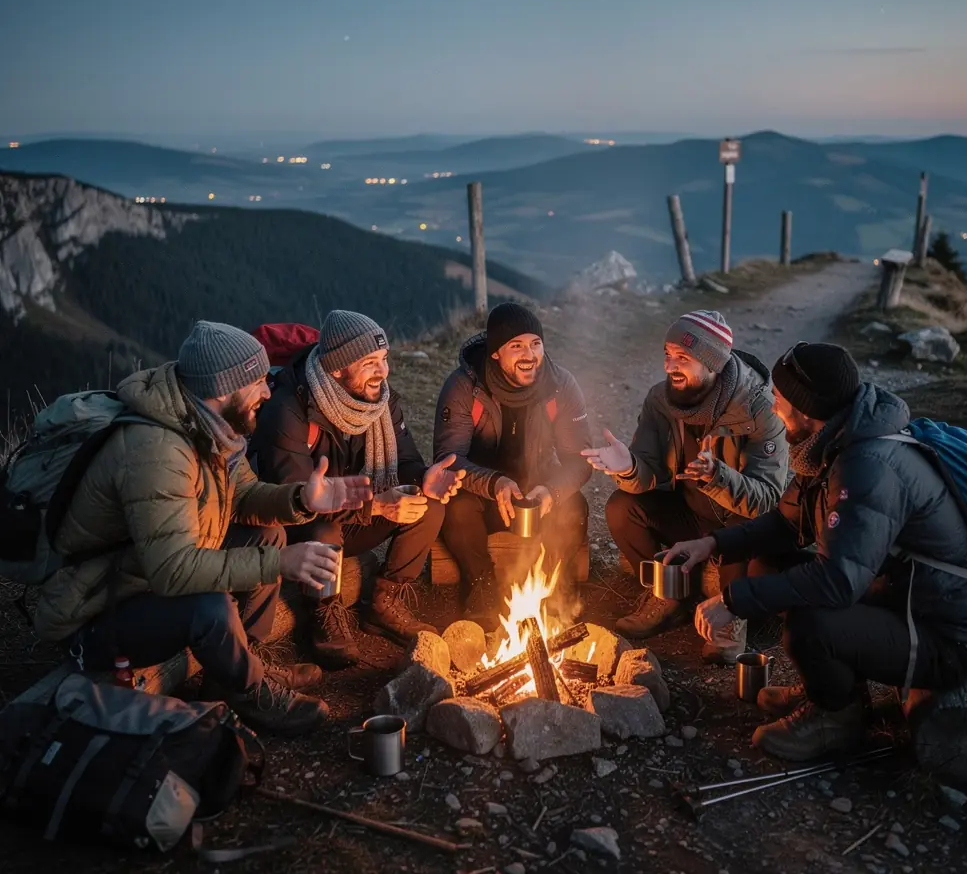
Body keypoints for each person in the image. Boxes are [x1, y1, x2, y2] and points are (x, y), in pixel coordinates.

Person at [34, 321, 374, 735]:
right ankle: (249, 691)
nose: (267, 391)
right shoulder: (158, 452)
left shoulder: (209, 427)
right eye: (256, 382)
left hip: (138, 576)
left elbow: (245, 495)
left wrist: (302, 499)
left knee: (269, 534)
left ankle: (237, 665)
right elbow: (174, 570)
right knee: (210, 605)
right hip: (97, 609)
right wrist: (280, 564)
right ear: (223, 388)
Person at [665, 341, 967, 762]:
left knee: (811, 621)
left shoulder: (868, 466)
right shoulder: (832, 442)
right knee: (768, 565)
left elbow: (838, 582)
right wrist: (713, 544)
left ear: (806, 409)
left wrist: (732, 601)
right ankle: (833, 687)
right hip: (900, 598)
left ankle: (836, 717)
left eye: (780, 399)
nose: (773, 407)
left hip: (943, 634)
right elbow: (787, 524)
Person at [249, 310, 464, 665]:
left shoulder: (379, 400)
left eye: (384, 359)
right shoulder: (287, 409)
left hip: (354, 509)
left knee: (429, 504)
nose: (383, 371)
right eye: (369, 363)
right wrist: (376, 507)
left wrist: (422, 479)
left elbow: (405, 462)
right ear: (337, 368)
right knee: (324, 527)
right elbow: (297, 497)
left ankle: (382, 603)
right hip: (294, 526)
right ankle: (323, 613)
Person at [583, 310, 788, 658]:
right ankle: (669, 596)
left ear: (713, 365)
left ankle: (730, 612)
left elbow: (768, 499)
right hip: (690, 513)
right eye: (667, 354)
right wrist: (629, 466)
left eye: (682, 358)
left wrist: (716, 476)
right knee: (621, 507)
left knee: (746, 522)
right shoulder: (661, 401)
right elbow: (647, 472)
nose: (669, 366)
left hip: (737, 524)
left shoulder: (760, 411)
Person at [433, 303, 592, 627]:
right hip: (483, 494)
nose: (529, 354)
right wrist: (494, 484)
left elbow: (579, 459)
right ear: (495, 353)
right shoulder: (466, 387)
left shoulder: (560, 386)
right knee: (455, 508)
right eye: (516, 346)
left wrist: (552, 490)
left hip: (537, 495)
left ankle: (554, 591)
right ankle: (481, 585)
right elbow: (447, 462)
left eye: (535, 344)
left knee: (574, 508)